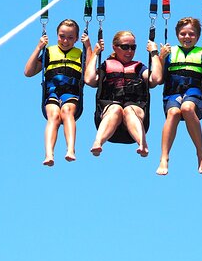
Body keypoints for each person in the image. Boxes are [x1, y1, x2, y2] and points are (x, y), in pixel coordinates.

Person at [24, 19, 91, 167]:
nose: (65, 41)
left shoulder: (80, 53)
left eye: (70, 37)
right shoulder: (49, 52)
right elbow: (28, 72)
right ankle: (49, 154)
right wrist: (39, 47)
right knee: (54, 115)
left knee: (67, 111)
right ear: (56, 35)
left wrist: (88, 46)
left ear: (76, 38)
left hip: (71, 93)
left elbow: (90, 76)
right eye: (62, 36)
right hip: (52, 93)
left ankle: (71, 150)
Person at [156, 17, 202, 175]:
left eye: (191, 34)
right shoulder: (170, 52)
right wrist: (160, 58)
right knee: (173, 112)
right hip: (173, 92)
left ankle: (200, 153)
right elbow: (158, 79)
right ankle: (164, 157)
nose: (187, 37)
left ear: (197, 37)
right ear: (177, 35)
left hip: (194, 91)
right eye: (183, 34)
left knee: (187, 108)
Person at [84, 31, 162, 157]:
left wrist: (154, 53)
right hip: (110, 114)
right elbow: (89, 80)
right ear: (115, 47)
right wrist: (95, 53)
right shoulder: (107, 65)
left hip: (135, 112)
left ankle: (142, 144)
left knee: (128, 110)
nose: (129, 51)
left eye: (133, 47)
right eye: (125, 47)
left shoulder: (139, 67)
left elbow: (156, 79)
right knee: (116, 108)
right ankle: (98, 142)